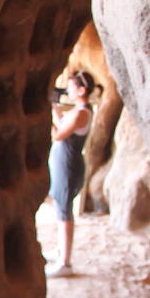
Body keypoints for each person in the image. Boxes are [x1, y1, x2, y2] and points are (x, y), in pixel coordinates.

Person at [45, 70, 101, 277]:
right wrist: (53, 107)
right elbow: (62, 124)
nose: (68, 90)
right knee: (61, 207)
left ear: (81, 90)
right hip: (65, 164)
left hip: (68, 166)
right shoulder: (80, 110)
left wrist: (43, 118)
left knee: (64, 210)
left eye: (71, 86)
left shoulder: (80, 113)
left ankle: (65, 263)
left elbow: (58, 134)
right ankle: (61, 251)